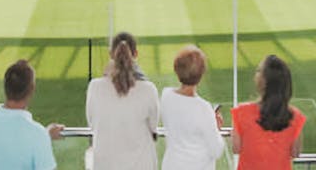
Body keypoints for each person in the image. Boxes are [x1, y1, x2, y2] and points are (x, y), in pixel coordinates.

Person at [85, 31, 160, 170]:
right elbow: (153, 126)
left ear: (111, 54)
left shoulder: (95, 87)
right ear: (135, 54)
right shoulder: (149, 89)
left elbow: (92, 123)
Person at [0, 59, 64, 170]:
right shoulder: (37, 134)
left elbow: (9, 143)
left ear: (5, 86)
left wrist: (44, 136)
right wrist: (44, 137)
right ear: (32, 89)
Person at [230, 55, 306, 170]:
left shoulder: (241, 112)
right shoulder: (295, 116)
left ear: (263, 81)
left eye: (259, 71)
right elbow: (295, 153)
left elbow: (236, 148)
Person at [160, 45, 225, 170]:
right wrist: (216, 128)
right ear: (202, 73)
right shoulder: (204, 109)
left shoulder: (166, 96)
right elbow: (216, 150)